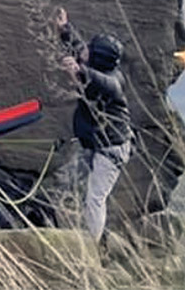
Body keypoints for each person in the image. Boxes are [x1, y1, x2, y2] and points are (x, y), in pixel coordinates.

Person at [61, 32, 132, 244]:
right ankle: (83, 235)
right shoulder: (99, 70)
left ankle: (93, 247)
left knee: (95, 198)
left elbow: (105, 82)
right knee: (74, 189)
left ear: (97, 59)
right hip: (95, 145)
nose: (85, 51)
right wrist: (65, 30)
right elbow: (80, 49)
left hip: (110, 151)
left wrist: (80, 70)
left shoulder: (112, 82)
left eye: (90, 50)